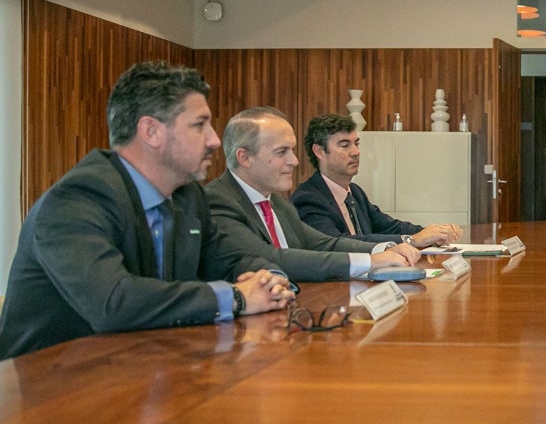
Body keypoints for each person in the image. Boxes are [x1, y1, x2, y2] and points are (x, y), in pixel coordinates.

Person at [0, 62, 294, 359]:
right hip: (50, 386)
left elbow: (233, 258)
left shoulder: (187, 196)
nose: (214, 140)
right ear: (151, 131)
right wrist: (237, 298)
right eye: (199, 125)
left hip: (145, 366)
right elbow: (113, 302)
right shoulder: (78, 198)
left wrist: (269, 279)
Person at [205, 107, 422, 282]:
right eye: (282, 152)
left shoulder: (277, 204)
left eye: (292, 150)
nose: (294, 161)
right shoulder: (217, 201)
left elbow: (324, 243)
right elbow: (270, 258)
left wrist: (386, 249)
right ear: (244, 157)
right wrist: (370, 262)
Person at [291, 114, 462, 247]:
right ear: (320, 152)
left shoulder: (355, 192)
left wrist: (433, 233)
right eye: (345, 145)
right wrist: (412, 240)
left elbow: (390, 226)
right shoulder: (308, 198)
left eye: (356, 143)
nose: (356, 152)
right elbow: (339, 244)